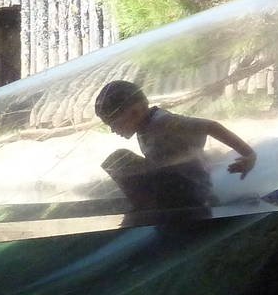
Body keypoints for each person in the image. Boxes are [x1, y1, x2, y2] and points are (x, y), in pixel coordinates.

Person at [94, 80, 256, 215]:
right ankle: (147, 207)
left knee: (120, 160)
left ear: (135, 112)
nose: (113, 130)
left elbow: (210, 126)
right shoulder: (145, 127)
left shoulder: (163, 122)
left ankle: (149, 209)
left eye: (114, 124)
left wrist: (248, 154)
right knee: (119, 161)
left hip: (190, 193)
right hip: (179, 187)